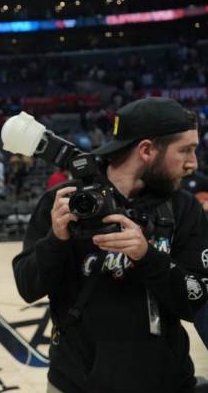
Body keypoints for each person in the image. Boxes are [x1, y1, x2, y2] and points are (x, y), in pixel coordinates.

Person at [13, 97, 208, 393]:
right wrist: (56, 240)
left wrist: (147, 256)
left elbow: (196, 302)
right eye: (185, 150)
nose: (193, 162)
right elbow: (27, 286)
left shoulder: (183, 208)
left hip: (167, 382)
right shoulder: (65, 201)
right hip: (76, 383)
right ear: (146, 150)